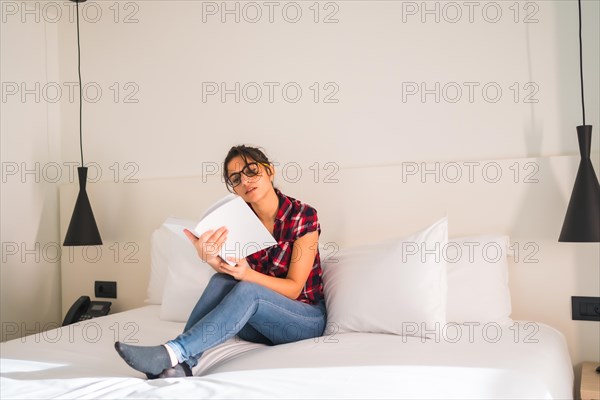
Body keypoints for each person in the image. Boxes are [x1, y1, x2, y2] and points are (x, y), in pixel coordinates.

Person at [114, 145, 327, 378]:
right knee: (221, 280)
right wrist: (210, 257)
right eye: (236, 178)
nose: (245, 181)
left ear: (270, 171)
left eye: (251, 171)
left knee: (249, 289)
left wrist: (248, 276)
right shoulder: (239, 218)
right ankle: (182, 365)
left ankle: (171, 353)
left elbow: (295, 288)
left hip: (303, 321)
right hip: (259, 325)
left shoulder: (303, 215)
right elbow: (235, 272)